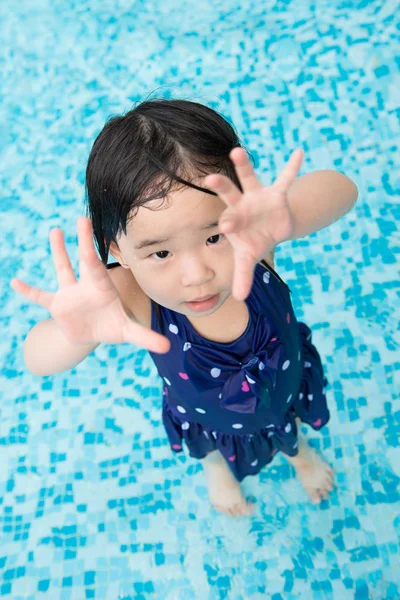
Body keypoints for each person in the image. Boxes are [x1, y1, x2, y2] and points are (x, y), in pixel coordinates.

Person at [10, 98, 358, 517]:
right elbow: (36, 358)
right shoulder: (130, 293)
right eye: (160, 254)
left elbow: (343, 189)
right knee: (208, 445)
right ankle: (217, 468)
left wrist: (291, 215)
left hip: (278, 392)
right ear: (119, 250)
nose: (196, 274)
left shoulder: (255, 245)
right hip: (203, 415)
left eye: (214, 238)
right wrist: (73, 333)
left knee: (287, 422)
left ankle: (297, 454)